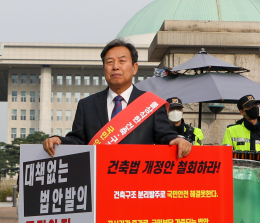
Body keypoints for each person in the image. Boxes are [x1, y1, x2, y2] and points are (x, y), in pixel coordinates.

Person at [42, 39, 192, 157]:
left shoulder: (151, 105)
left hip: (135, 182)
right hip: (99, 182)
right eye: (109, 62)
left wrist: (177, 139)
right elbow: (78, 141)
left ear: (134, 68)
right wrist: (59, 140)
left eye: (122, 61)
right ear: (104, 69)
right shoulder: (87, 105)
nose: (115, 67)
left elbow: (164, 136)